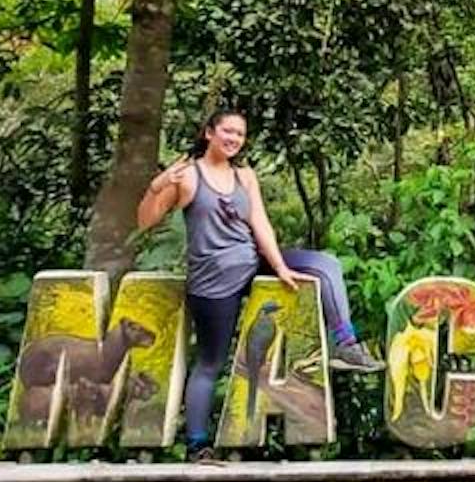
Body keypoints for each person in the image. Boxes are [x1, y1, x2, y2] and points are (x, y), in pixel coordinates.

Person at [137, 110, 383, 461]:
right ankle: (196, 445)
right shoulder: (187, 177)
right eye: (227, 131)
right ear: (209, 133)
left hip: (252, 262)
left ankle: (346, 345)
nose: (234, 138)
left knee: (326, 265)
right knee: (210, 362)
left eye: (240, 133)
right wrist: (156, 186)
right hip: (213, 280)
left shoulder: (245, 176)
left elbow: (260, 223)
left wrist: (280, 265)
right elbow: (145, 221)